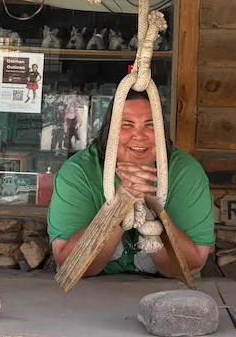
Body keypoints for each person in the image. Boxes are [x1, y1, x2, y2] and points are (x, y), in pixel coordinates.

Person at [48, 95, 214, 276]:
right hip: (89, 294)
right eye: (127, 125)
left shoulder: (187, 172)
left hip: (169, 294)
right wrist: (120, 205)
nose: (139, 135)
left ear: (162, 132)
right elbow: (69, 264)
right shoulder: (78, 172)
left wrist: (150, 209)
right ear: (109, 131)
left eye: (150, 125)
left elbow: (192, 265)